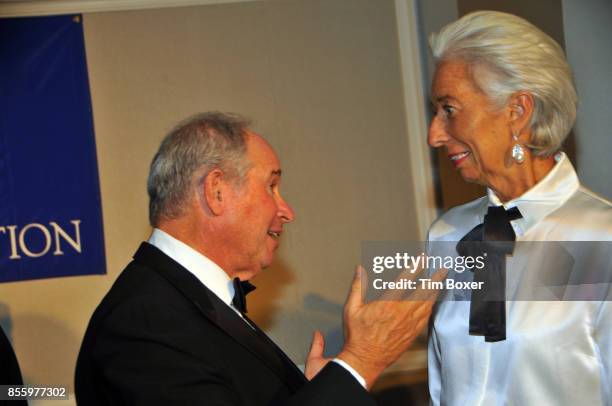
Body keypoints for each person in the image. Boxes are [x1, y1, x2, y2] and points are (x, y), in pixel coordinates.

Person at [75, 112, 443, 405]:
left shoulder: (179, 301)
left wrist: (317, 392)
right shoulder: (144, 322)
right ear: (216, 191)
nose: (286, 210)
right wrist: (359, 362)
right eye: (271, 185)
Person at [425, 11, 612, 406]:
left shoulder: (602, 238)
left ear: (518, 111)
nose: (435, 135)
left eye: (449, 110)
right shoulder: (447, 234)